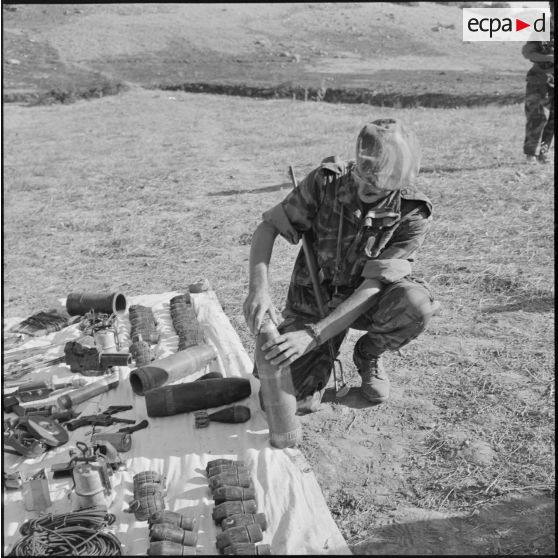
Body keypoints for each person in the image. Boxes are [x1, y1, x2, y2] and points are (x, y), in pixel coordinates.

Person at [243, 118, 438, 413]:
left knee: (415, 304)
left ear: (400, 179)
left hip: (366, 302)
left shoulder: (412, 212)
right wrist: (259, 290)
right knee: (285, 400)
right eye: (364, 172)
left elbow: (374, 285)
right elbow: (267, 228)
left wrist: (314, 336)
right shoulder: (326, 182)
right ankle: (320, 360)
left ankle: (368, 354)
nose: (368, 184)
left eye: (381, 180)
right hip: (313, 303)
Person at [522, 3, 554, 164]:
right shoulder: (542, 28)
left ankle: (544, 152)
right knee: (537, 116)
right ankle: (531, 154)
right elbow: (527, 51)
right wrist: (549, 58)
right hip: (539, 79)